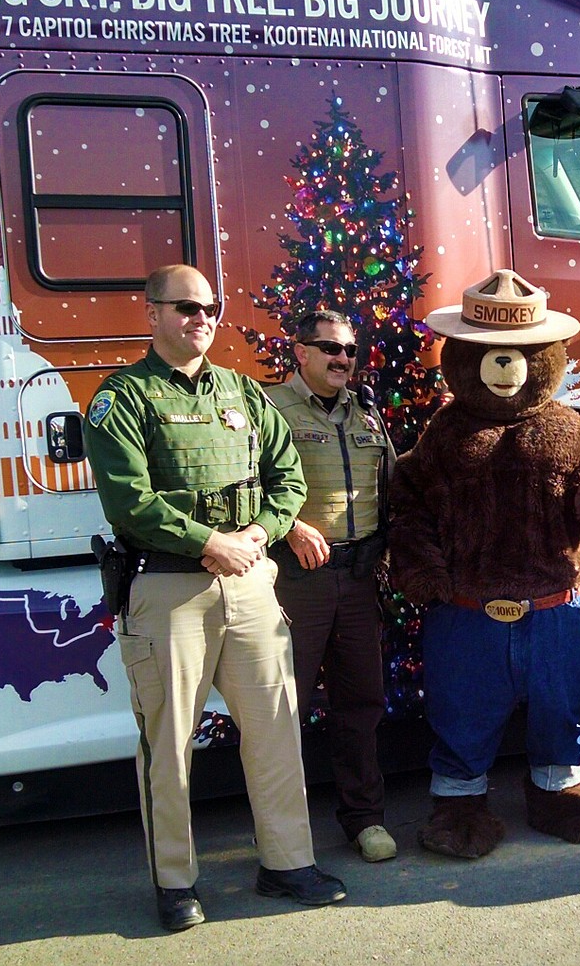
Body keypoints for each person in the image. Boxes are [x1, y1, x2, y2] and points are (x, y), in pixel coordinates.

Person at [84, 264, 345, 931]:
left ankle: (287, 863)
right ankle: (175, 882)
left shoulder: (244, 395)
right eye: (184, 307)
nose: (200, 318)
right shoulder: (124, 398)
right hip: (170, 588)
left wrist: (259, 531)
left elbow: (286, 477)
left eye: (209, 307)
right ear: (152, 313)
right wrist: (209, 541)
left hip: (252, 582)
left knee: (276, 728)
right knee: (168, 743)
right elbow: (129, 499)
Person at [267, 310, 398, 862]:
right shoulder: (267, 408)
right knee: (279, 709)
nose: (343, 358)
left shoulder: (366, 413)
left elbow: (394, 484)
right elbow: (243, 485)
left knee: (360, 703)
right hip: (296, 581)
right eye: (329, 348)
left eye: (349, 348)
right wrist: (291, 526)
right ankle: (283, 832)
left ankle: (364, 819)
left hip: (358, 578)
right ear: (300, 352)